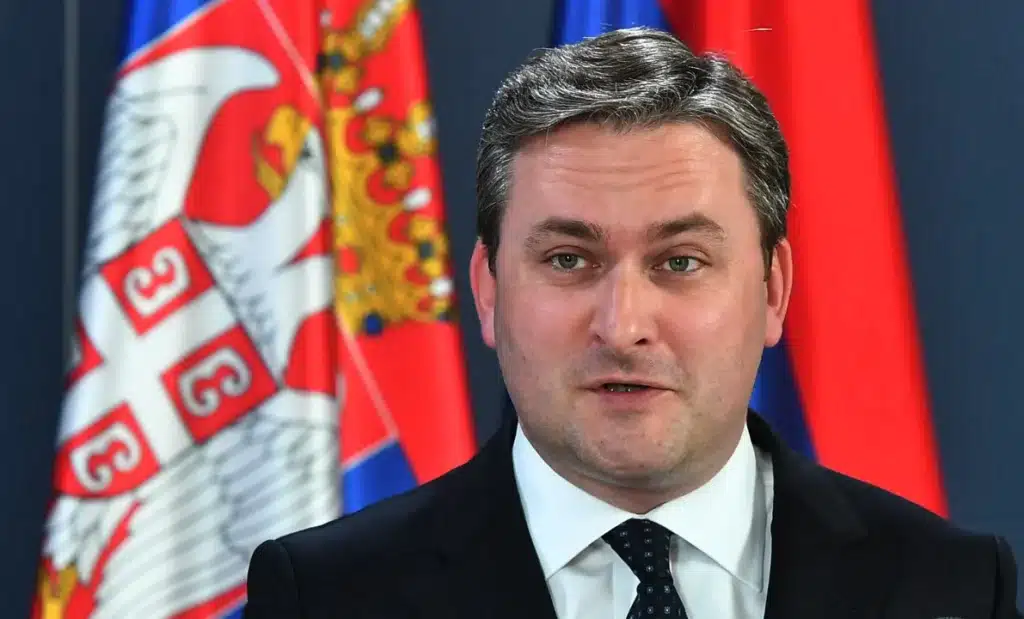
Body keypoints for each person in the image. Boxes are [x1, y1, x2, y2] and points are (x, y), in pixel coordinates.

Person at [243, 27, 1021, 619]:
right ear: (487, 290)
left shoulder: (949, 587)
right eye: (568, 260)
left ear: (772, 290)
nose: (622, 326)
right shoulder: (327, 595)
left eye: (680, 261)